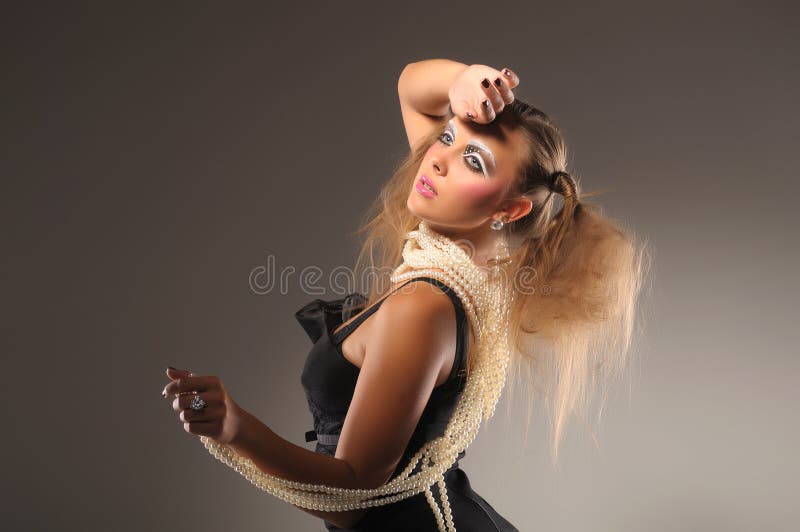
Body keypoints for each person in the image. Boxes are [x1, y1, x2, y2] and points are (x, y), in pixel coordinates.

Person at [161, 59, 649, 531]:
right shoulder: (481, 257)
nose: (437, 159)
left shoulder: (426, 306)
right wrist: (462, 80)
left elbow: (353, 497)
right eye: (449, 136)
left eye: (473, 161)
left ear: (511, 207)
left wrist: (236, 430)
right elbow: (413, 88)